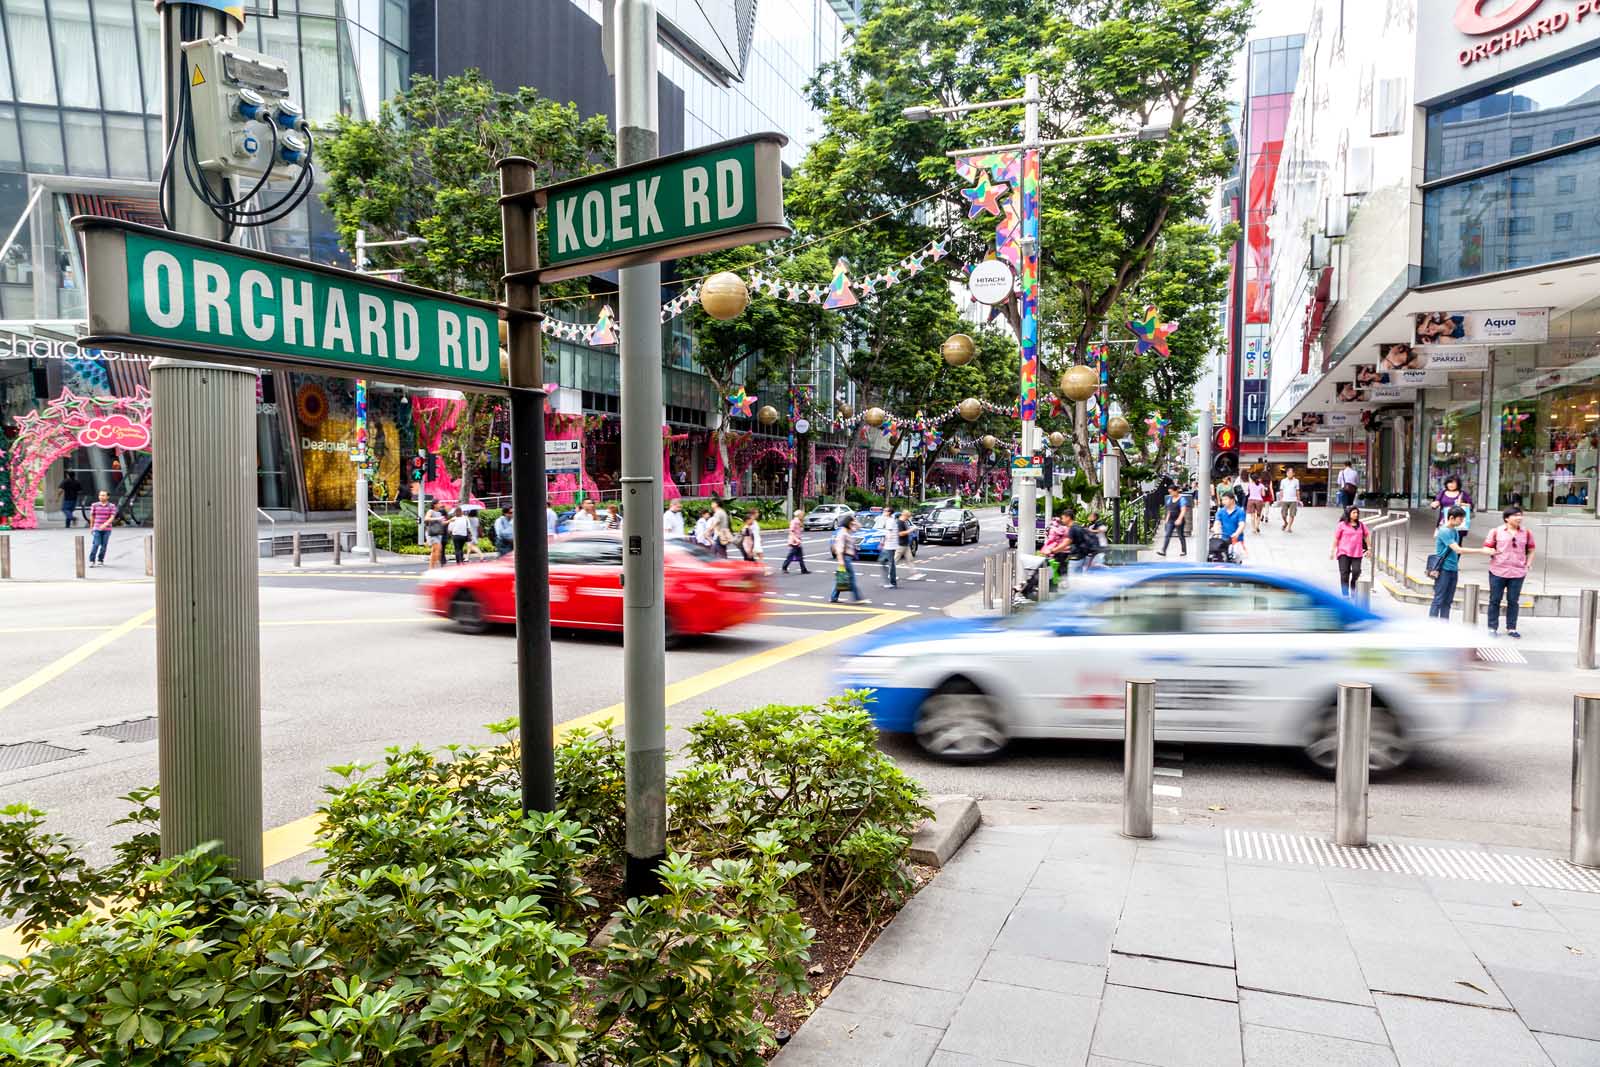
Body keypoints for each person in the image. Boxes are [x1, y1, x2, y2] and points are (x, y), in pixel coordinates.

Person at [1482, 506, 1536, 638]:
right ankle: (1492, 628)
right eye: (1516, 515)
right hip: (1498, 570)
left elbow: (1531, 549)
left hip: (1518, 572)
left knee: (1513, 601)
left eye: (1521, 515)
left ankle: (1511, 628)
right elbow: (1486, 548)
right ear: (1507, 518)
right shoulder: (1495, 531)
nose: (1519, 518)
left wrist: (1528, 563)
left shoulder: (1527, 533)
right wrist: (1491, 551)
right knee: (1495, 600)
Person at [1428, 506, 1488, 619]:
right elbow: (1458, 549)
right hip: (1443, 569)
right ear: (1451, 517)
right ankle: (1433, 626)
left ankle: (1444, 624)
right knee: (1439, 599)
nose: (1462, 522)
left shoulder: (1454, 531)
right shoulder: (1444, 531)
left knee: (1448, 600)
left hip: (1453, 569)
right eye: (1460, 519)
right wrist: (1481, 550)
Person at [1329, 504, 1370, 597]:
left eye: (1357, 513)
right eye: (1354, 512)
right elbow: (1336, 538)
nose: (1356, 514)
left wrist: (1369, 549)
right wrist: (1332, 551)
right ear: (1349, 514)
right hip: (1343, 552)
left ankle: (1353, 586)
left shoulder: (1361, 525)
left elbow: (1366, 536)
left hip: (1357, 553)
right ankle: (1345, 595)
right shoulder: (1342, 525)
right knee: (1344, 574)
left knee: (1356, 571)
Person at [830, 517, 866, 603]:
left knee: (842, 578)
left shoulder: (847, 531)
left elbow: (859, 527)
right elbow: (839, 548)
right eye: (851, 523)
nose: (853, 525)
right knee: (851, 578)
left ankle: (833, 597)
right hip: (845, 558)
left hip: (847, 558)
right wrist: (840, 560)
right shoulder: (842, 533)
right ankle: (857, 598)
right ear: (848, 523)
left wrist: (854, 520)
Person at [1157, 484, 1190, 556]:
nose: (1170, 493)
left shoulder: (1182, 499)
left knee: (1180, 535)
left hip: (1178, 519)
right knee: (1167, 534)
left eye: (1171, 492)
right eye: (1169, 492)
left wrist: (1179, 519)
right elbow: (1169, 510)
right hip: (1171, 520)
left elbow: (1183, 510)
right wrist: (1167, 519)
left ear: (1176, 491)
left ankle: (1184, 550)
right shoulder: (1170, 499)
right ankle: (1163, 550)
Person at [87, 490, 116, 567]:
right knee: (96, 544)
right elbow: (92, 516)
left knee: (104, 545)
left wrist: (105, 524)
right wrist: (91, 527)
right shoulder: (94, 505)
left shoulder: (112, 506)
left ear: (107, 497)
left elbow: (112, 517)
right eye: (100, 495)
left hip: (107, 529)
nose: (101, 497)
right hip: (97, 528)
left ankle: (100, 559)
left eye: (103, 495)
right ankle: (92, 560)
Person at [896, 510, 922, 579]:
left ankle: (914, 574)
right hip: (901, 544)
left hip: (906, 544)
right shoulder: (899, 523)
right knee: (895, 560)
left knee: (910, 559)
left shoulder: (904, 522)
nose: (908, 518)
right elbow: (900, 533)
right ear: (904, 515)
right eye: (908, 517)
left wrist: (910, 528)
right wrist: (911, 529)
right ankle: (890, 574)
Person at [782, 509, 809, 574]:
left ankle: (803, 569)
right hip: (794, 541)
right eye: (802, 515)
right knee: (791, 555)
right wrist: (796, 539)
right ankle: (784, 567)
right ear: (798, 515)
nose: (803, 516)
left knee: (800, 556)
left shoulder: (798, 521)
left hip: (797, 541)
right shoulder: (794, 521)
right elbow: (791, 531)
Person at [879, 508, 901, 587]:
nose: (883, 512)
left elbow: (889, 534)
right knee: (883, 561)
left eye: (885, 511)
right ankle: (889, 581)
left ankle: (892, 582)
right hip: (889, 545)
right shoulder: (890, 520)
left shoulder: (890, 521)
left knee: (890, 563)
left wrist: (883, 543)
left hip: (890, 545)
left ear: (889, 513)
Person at [425, 503, 446, 568]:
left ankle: (432, 567)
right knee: (437, 549)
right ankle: (432, 567)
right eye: (439, 503)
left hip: (438, 533)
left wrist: (450, 520)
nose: (440, 504)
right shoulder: (430, 511)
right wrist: (437, 518)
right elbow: (426, 518)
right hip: (432, 533)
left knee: (436, 551)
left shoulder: (439, 513)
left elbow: (442, 523)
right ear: (434, 505)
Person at [1278, 467, 1300, 532]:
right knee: (1283, 514)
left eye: (1291, 473)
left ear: (1293, 473)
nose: (1289, 474)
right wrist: (1281, 499)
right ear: (1286, 473)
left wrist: (1298, 499)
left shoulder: (1296, 481)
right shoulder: (1283, 481)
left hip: (1293, 500)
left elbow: (1297, 490)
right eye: (1288, 473)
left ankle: (1289, 527)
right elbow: (1281, 490)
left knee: (1292, 514)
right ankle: (1285, 522)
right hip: (1285, 499)